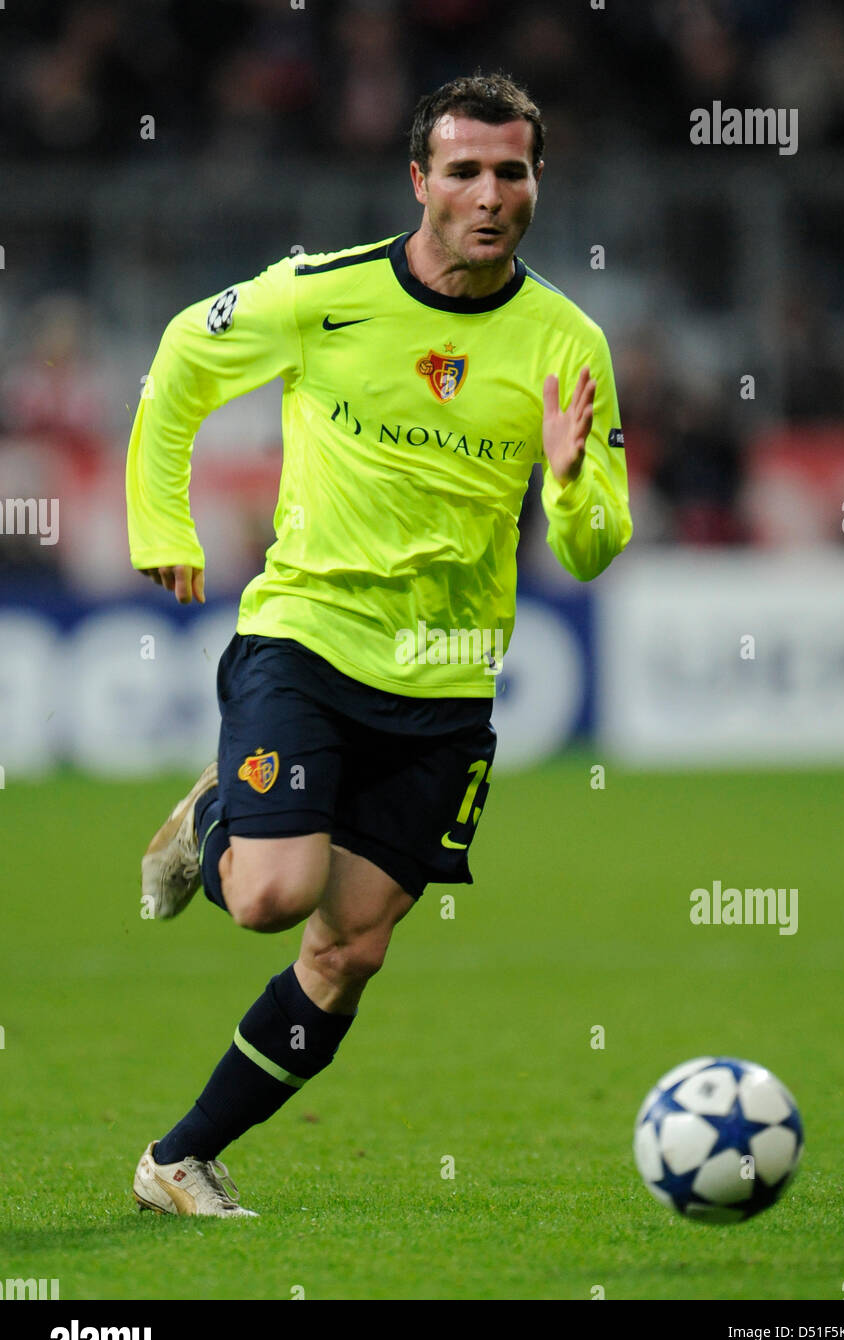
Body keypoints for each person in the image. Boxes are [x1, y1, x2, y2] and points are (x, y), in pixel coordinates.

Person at [126, 72, 632, 1217]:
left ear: (536, 182)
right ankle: (216, 819)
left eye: (512, 170)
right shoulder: (322, 296)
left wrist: (565, 480)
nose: (489, 194)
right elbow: (179, 361)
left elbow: (599, 545)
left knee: (349, 951)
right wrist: (161, 522)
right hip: (307, 634)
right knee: (270, 896)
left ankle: (177, 1159)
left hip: (446, 682)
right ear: (420, 180)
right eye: (463, 170)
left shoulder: (568, 342)